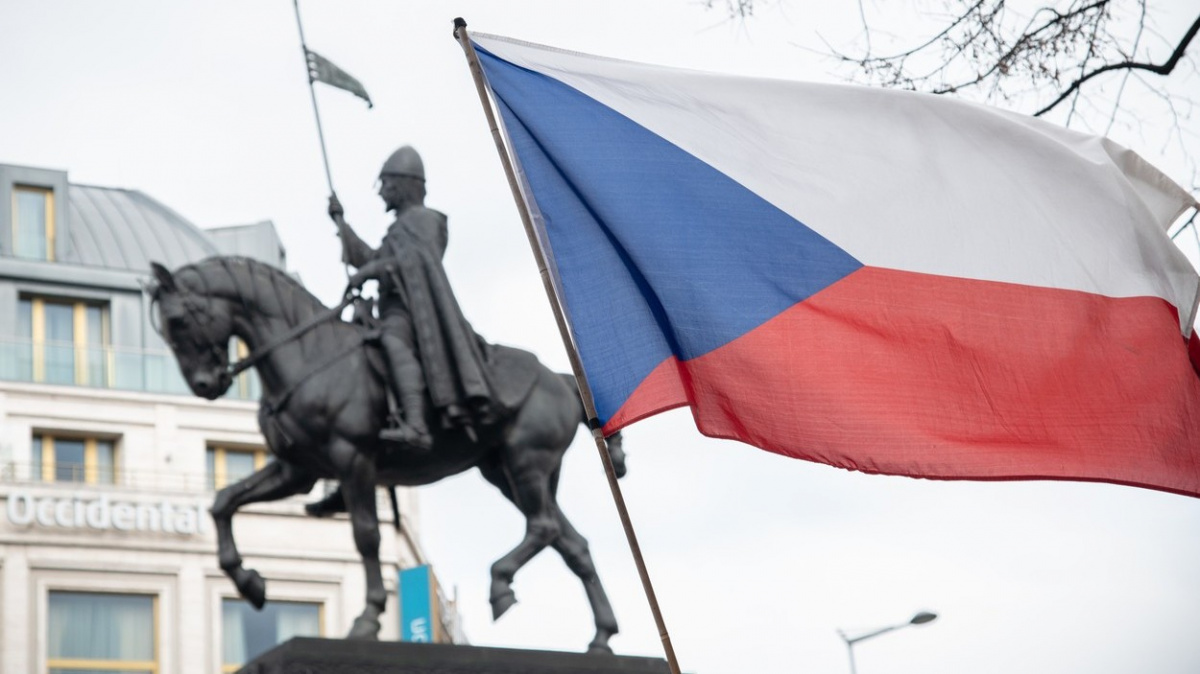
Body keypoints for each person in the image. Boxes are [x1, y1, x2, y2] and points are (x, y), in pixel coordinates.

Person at [329, 145, 495, 451]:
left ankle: (416, 425)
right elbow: (372, 258)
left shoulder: (424, 221)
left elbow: (413, 263)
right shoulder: (399, 228)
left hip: (411, 313)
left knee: (393, 342)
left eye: (387, 185)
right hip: (391, 308)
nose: (382, 194)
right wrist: (342, 225)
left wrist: (371, 271)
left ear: (404, 185)